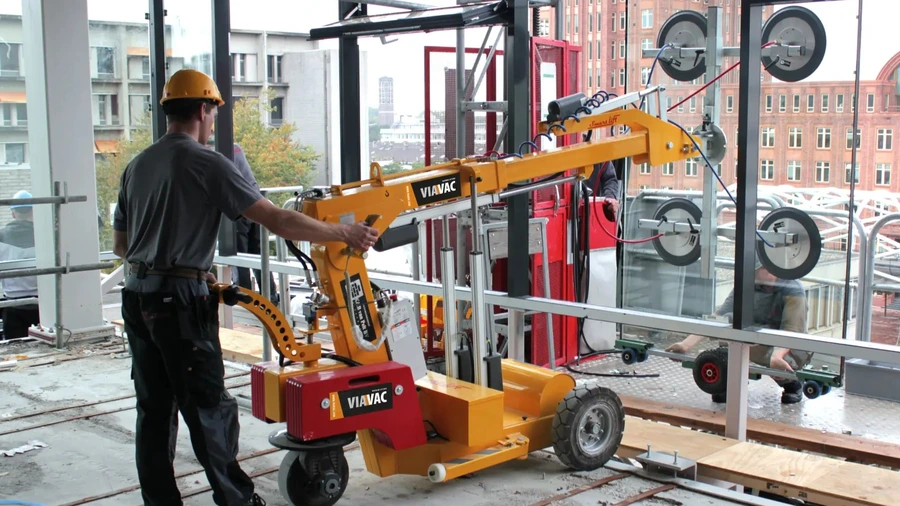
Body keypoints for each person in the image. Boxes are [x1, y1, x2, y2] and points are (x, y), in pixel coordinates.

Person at [112, 68, 378, 506]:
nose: (213, 121)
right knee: (208, 408)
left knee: (154, 410)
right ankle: (237, 501)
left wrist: (177, 264)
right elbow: (278, 219)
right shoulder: (206, 161)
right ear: (203, 109)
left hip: (137, 296)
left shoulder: (136, 165)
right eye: (214, 112)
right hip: (177, 304)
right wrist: (344, 234)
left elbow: (123, 245)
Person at [665, 255, 810, 404]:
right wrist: (686, 344)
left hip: (787, 342)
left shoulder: (793, 288)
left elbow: (791, 330)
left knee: (783, 360)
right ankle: (732, 382)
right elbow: (718, 317)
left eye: (772, 268)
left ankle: (792, 384)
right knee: (728, 329)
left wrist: (777, 355)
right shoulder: (747, 284)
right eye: (765, 269)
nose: (771, 273)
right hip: (757, 335)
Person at [0, 190, 40, 339]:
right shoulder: (47, 236)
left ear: (13, 213)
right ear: (35, 211)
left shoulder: (1, 236)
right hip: (44, 305)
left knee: (16, 349)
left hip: (12, 306)